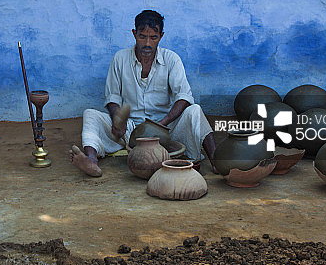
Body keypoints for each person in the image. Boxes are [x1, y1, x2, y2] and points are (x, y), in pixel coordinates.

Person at [69, 10, 216, 177]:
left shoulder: (172, 59)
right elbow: (112, 97)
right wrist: (118, 121)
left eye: (153, 37)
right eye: (142, 36)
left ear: (161, 36)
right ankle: (91, 160)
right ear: (134, 34)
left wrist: (161, 124)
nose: (147, 43)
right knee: (90, 115)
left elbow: (184, 96)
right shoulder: (120, 59)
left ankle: (216, 161)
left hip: (166, 127)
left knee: (195, 110)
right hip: (130, 129)